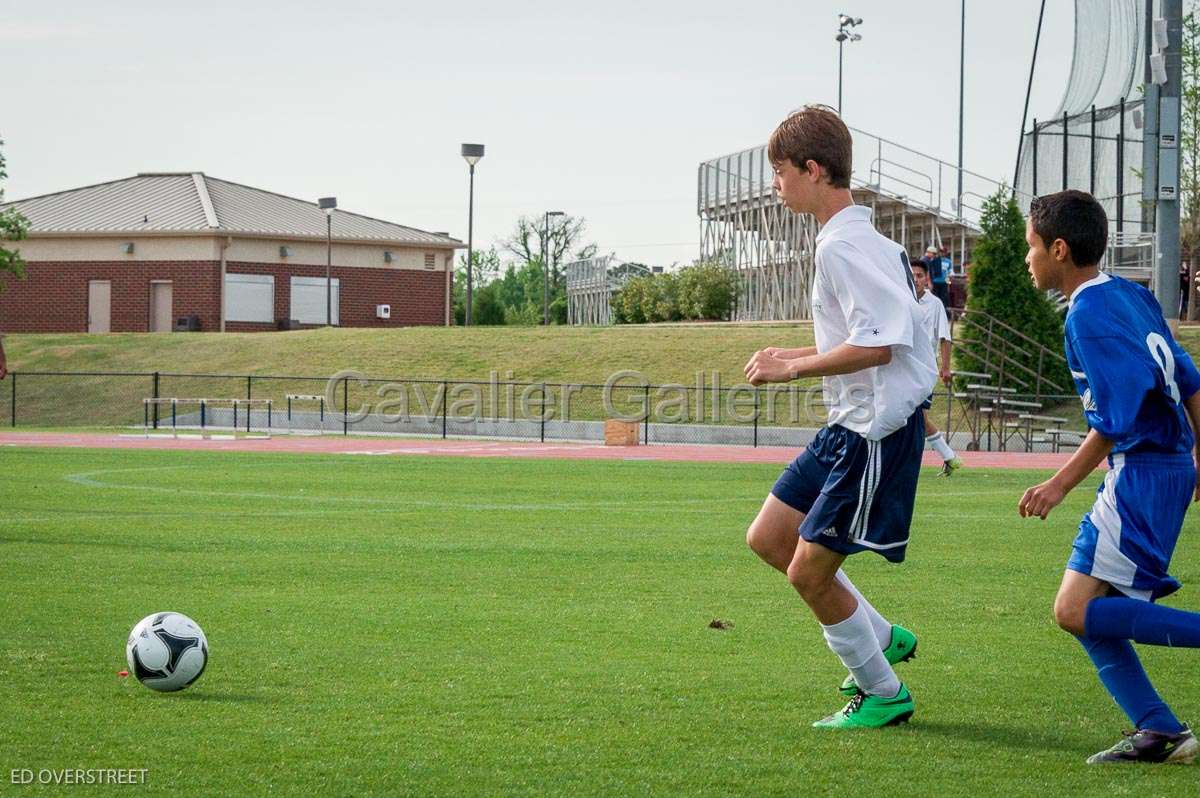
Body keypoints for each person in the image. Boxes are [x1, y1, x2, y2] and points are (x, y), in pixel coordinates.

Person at [744, 105, 937, 729]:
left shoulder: (847, 247)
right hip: (846, 426)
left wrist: (791, 370)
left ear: (812, 168)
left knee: (809, 572)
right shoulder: (863, 239)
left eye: (780, 170)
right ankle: (881, 634)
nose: (775, 183)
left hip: (873, 432)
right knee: (769, 539)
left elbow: (881, 345)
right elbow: (872, 336)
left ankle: (882, 692)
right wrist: (794, 352)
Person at [1018, 189, 1200, 765]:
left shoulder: (1089, 315)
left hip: (1140, 474)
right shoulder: (1131, 295)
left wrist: (1057, 484)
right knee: (1089, 608)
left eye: (1032, 247)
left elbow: (1115, 421)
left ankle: (1160, 730)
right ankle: (1159, 732)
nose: (1028, 258)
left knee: (1072, 610)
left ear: (1060, 249)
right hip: (1164, 470)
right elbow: (1191, 381)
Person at [910, 260, 962, 475]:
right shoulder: (901, 300)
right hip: (902, 369)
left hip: (924, 371)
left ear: (927, 279)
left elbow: (945, 337)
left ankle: (948, 456)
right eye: (911, 275)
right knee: (910, 417)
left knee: (916, 418)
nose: (915, 279)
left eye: (920, 275)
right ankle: (949, 457)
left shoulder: (935, 304)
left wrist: (946, 367)